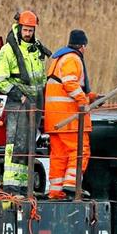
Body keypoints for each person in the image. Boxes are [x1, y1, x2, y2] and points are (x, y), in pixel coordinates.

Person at [0, 10, 49, 193]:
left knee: (28, 143)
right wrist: (19, 95)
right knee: (15, 143)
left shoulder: (35, 50)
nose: (28, 34)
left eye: (31, 31)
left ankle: (23, 185)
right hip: (18, 103)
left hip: (35, 103)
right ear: (19, 28)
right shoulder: (8, 50)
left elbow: (40, 77)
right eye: (25, 30)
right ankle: (12, 186)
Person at [44, 29, 97, 200]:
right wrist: (84, 102)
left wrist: (92, 97)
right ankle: (72, 185)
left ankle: (55, 190)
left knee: (59, 155)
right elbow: (70, 84)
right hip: (69, 119)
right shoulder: (73, 59)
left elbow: (62, 86)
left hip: (54, 120)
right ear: (83, 46)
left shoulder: (58, 59)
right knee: (80, 150)